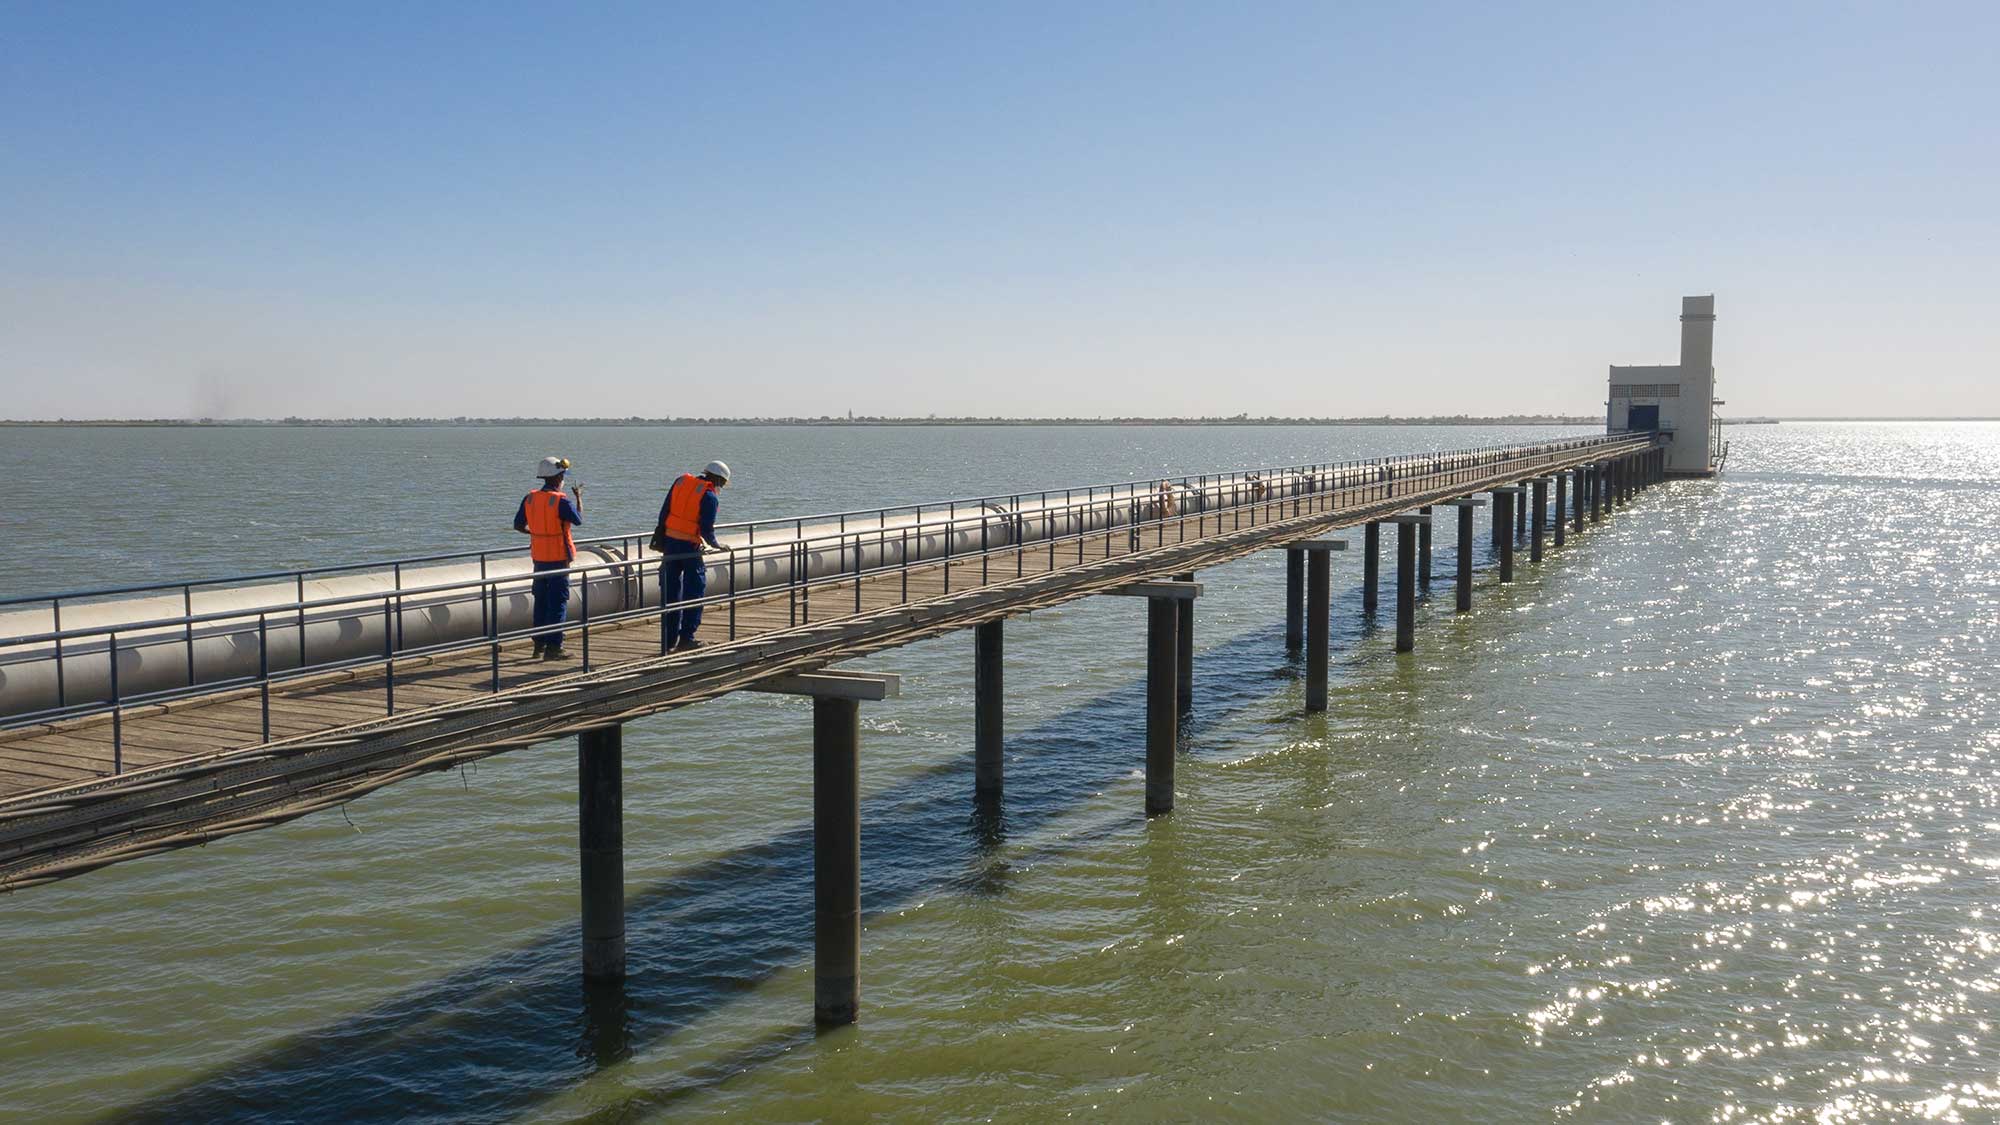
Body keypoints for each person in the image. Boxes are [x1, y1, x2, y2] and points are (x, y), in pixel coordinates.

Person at [656, 460, 730, 652]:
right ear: (718, 480)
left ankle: (667, 641)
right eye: (722, 484)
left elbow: (664, 512)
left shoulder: (681, 482)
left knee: (670, 595)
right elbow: (706, 529)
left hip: (670, 547)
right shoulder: (709, 496)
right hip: (689, 548)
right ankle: (686, 638)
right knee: (694, 592)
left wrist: (662, 537)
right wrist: (716, 544)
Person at [514, 455, 583, 660]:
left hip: (539, 559)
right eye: (562, 476)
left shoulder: (530, 498)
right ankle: (555, 647)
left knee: (541, 602)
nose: (563, 479)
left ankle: (539, 646)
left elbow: (518, 525)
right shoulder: (560, 500)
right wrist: (579, 497)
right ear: (556, 478)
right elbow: (578, 520)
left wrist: (536, 533)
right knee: (558, 602)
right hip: (559, 559)